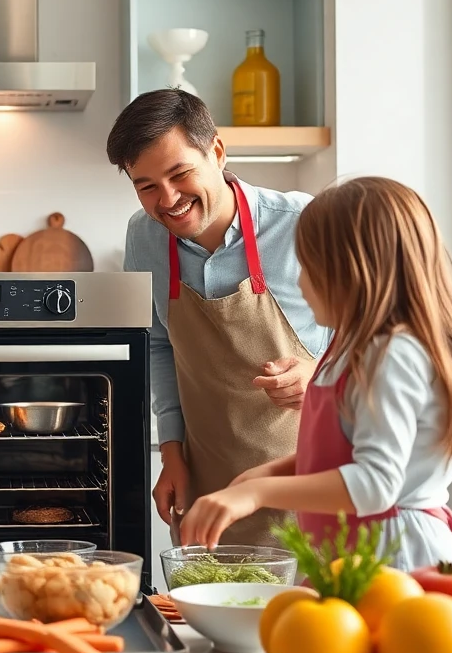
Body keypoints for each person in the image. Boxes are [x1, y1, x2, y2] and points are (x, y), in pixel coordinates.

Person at [179, 177, 452, 570]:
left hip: (403, 559)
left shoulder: (392, 354)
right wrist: (262, 475)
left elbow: (375, 485)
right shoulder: (349, 348)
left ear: (353, 271)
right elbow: (342, 451)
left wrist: (260, 493)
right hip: (357, 554)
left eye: (309, 267)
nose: (300, 281)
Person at [106, 89, 331, 546]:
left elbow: (368, 334)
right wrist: (171, 454)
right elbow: (159, 344)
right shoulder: (143, 236)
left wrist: (320, 374)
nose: (167, 199)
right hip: (206, 488)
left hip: (308, 478)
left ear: (218, 152)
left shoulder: (302, 222)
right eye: (146, 185)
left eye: (179, 173)